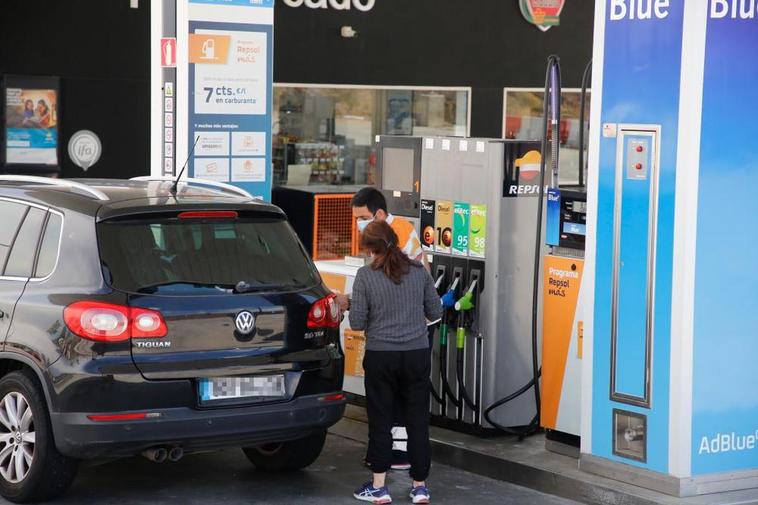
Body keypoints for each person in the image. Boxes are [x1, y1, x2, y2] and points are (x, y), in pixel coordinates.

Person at [335, 187, 430, 472]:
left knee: (391, 405)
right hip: (412, 338)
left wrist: (353, 302)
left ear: (377, 214)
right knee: (406, 405)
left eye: (361, 217)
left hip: (400, 334)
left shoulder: (396, 232)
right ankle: (413, 473)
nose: (358, 224)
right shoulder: (387, 235)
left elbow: (390, 291)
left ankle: (392, 459)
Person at [349, 221, 442, 505]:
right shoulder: (417, 271)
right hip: (415, 354)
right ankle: (420, 486)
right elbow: (436, 311)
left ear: (370, 249)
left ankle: (379, 487)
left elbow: (357, 322)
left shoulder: (365, 276)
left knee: (380, 419)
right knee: (417, 420)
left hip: (381, 356)